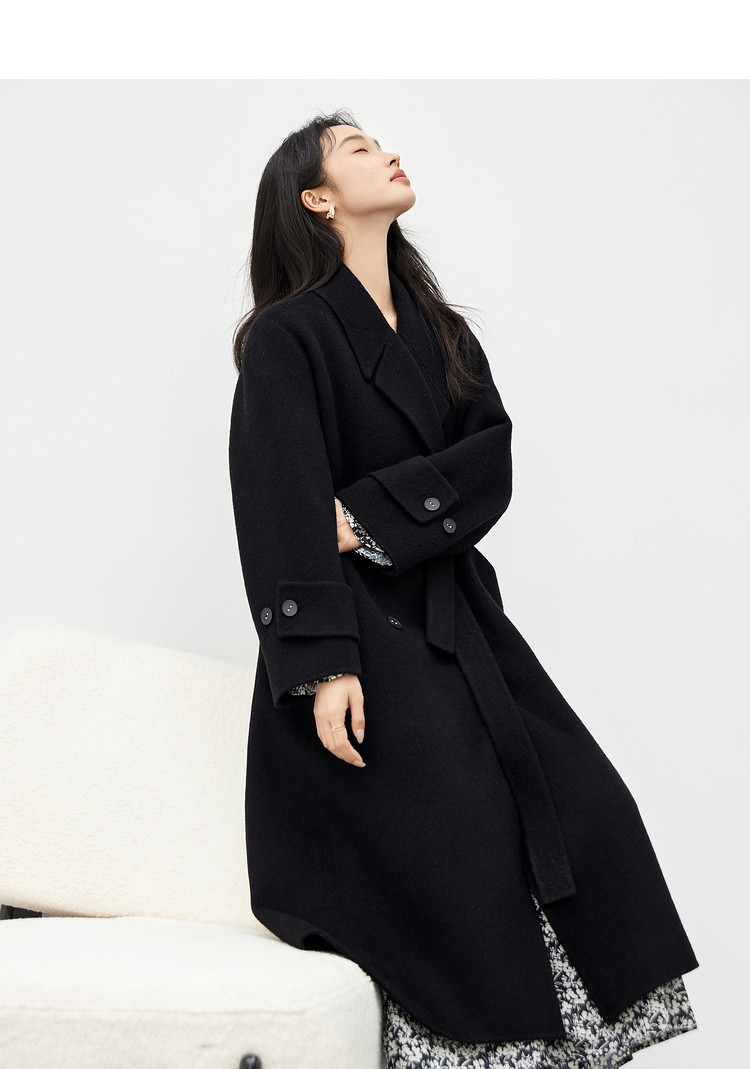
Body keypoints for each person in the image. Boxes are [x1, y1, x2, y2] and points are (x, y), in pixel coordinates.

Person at [228, 109, 699, 1067]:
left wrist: (366, 514)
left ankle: (556, 1043)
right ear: (317, 200)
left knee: (587, 809)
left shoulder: (440, 330)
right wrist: (320, 666)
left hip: (464, 623)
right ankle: (473, 1047)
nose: (389, 153)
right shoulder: (287, 336)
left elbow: (492, 461)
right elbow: (274, 503)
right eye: (359, 149)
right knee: (456, 834)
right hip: (360, 636)